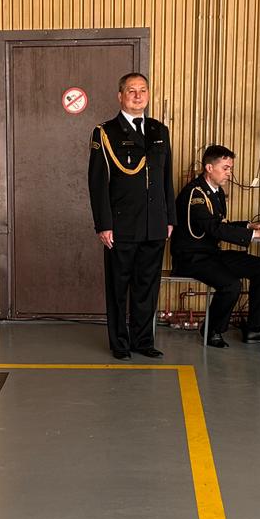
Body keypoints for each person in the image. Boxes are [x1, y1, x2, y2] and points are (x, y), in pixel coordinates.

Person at [88, 73, 174, 359]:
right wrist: (103, 224)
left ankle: (143, 341)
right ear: (120, 96)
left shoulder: (159, 130)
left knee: (147, 287)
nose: (138, 96)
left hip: (154, 224)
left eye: (143, 90)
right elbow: (97, 183)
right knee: (118, 287)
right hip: (121, 224)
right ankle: (120, 344)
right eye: (131, 91)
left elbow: (166, 178)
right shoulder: (106, 132)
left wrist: (170, 218)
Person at [170, 145, 260, 346]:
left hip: (211, 255)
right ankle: (212, 330)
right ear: (209, 168)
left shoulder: (217, 192)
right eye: (225, 168)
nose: (229, 173)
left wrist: (250, 225)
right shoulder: (195, 194)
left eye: (230, 168)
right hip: (191, 258)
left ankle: (257, 329)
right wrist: (255, 234)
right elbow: (213, 228)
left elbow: (221, 224)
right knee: (231, 285)